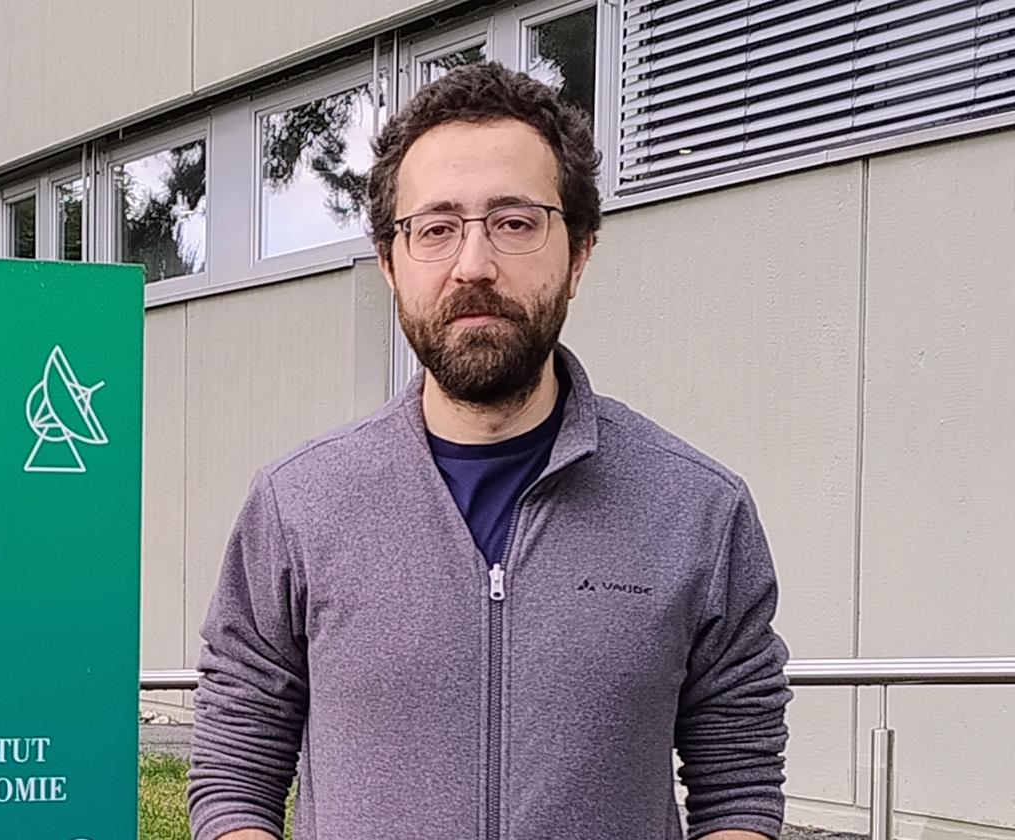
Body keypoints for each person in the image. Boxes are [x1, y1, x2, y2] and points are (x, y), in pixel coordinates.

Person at [187, 62, 791, 840]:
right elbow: (235, 768)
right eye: (436, 228)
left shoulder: (698, 509)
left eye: (514, 222)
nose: (473, 264)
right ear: (390, 264)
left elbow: (739, 778)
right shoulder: (297, 504)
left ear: (578, 254)